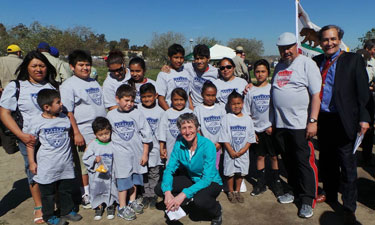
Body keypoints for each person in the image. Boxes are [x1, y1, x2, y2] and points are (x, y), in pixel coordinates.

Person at [312, 25, 372, 224]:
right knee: (328, 163)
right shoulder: (316, 61)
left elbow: (363, 93)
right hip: (324, 120)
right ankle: (329, 194)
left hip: (345, 120)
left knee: (347, 166)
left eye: (333, 39)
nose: (329, 43)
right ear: (320, 42)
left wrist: (364, 118)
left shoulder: (353, 59)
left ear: (339, 40)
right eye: (325, 40)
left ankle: (348, 206)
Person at [0, 50, 59, 224]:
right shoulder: (16, 86)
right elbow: (4, 114)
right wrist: (22, 136)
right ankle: (39, 206)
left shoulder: (52, 86)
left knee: (54, 169)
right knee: (33, 171)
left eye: (42, 66)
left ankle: (54, 201)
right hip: (29, 139)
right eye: (34, 66)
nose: (39, 69)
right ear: (27, 67)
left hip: (52, 138)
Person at [271, 32, 321, 218]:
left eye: (289, 47)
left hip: (300, 125)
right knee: (289, 161)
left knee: (304, 163)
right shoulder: (278, 67)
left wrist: (313, 121)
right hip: (281, 125)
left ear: (296, 45)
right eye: (282, 48)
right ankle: (293, 190)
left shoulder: (307, 64)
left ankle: (308, 199)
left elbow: (316, 95)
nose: (286, 51)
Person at [155, 113, 223, 225]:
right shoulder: (179, 144)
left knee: (200, 201)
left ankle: (217, 211)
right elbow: (169, 168)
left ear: (197, 128)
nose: (187, 132)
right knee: (160, 188)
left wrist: (183, 194)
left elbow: (206, 179)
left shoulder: (208, 145)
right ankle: (181, 201)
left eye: (190, 127)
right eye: (183, 128)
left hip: (211, 181)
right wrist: (167, 192)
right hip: (192, 178)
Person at [27, 89, 82, 225]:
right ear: (47, 107)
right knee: (48, 194)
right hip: (47, 165)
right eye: (58, 102)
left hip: (65, 163)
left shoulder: (64, 118)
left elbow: (70, 135)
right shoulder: (36, 121)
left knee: (65, 190)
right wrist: (32, 162)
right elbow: (30, 144)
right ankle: (49, 216)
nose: (61, 104)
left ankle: (67, 211)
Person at [60, 50, 107, 209]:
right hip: (84, 131)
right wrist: (76, 132)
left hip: (101, 130)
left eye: (87, 64)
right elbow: (68, 111)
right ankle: (85, 193)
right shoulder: (68, 85)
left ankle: (100, 189)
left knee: (100, 160)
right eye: (81, 65)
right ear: (72, 67)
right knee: (85, 164)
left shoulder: (93, 82)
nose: (85, 68)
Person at [106, 84, 152, 221]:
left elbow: (146, 135)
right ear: (117, 99)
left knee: (135, 180)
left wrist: (145, 154)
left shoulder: (137, 113)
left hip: (136, 153)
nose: (129, 104)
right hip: (120, 155)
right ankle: (122, 206)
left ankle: (132, 202)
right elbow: (105, 135)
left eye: (132, 101)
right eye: (126, 100)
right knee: (123, 181)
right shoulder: (111, 115)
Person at [243, 59, 283, 198]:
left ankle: (276, 181)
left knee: (273, 156)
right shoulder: (250, 91)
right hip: (257, 130)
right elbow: (246, 112)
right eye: (257, 71)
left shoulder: (273, 88)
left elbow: (278, 108)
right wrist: (252, 131)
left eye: (263, 71)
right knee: (259, 156)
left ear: (268, 72)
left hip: (270, 129)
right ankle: (261, 183)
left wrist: (273, 125)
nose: (260, 74)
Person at [219, 91, 256, 204]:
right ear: (229, 105)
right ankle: (230, 191)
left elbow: (250, 137)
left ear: (243, 103)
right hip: (230, 152)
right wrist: (230, 150)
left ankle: (237, 191)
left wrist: (243, 150)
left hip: (243, 152)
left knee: (240, 172)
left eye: (238, 103)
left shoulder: (247, 119)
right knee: (230, 172)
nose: (236, 106)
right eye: (233, 104)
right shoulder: (226, 118)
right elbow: (224, 135)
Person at [82, 117, 118, 221]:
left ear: (110, 131)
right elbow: (85, 158)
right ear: (95, 134)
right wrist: (94, 159)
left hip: (110, 173)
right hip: (97, 176)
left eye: (106, 133)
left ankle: (110, 206)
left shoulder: (113, 143)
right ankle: (98, 207)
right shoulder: (93, 144)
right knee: (97, 190)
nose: (104, 137)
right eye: (100, 135)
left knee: (111, 188)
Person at [137, 83, 164, 209]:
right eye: (144, 97)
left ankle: (152, 194)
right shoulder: (137, 110)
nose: (147, 99)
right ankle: (145, 194)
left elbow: (163, 132)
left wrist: (163, 148)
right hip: (141, 150)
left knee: (154, 173)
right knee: (143, 172)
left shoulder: (161, 111)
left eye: (149, 96)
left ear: (156, 96)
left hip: (155, 149)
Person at [193, 81, 226, 170]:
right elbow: (197, 129)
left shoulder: (220, 108)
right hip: (203, 145)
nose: (210, 98)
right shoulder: (198, 109)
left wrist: (220, 143)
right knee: (203, 166)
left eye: (213, 95)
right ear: (202, 94)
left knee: (215, 166)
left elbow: (224, 127)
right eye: (208, 95)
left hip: (217, 145)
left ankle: (213, 183)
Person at [158, 88, 192, 163]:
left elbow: (196, 131)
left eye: (181, 99)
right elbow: (162, 132)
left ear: (186, 100)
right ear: (171, 100)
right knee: (172, 167)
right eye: (176, 100)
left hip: (188, 147)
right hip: (171, 147)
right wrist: (161, 147)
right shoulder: (167, 113)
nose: (179, 102)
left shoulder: (190, 113)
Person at [156, 44, 190, 110]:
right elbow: (160, 99)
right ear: (169, 58)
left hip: (185, 113)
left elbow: (188, 94)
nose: (179, 60)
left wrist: (191, 108)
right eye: (176, 57)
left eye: (181, 57)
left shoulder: (186, 73)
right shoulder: (163, 74)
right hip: (171, 111)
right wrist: (170, 113)